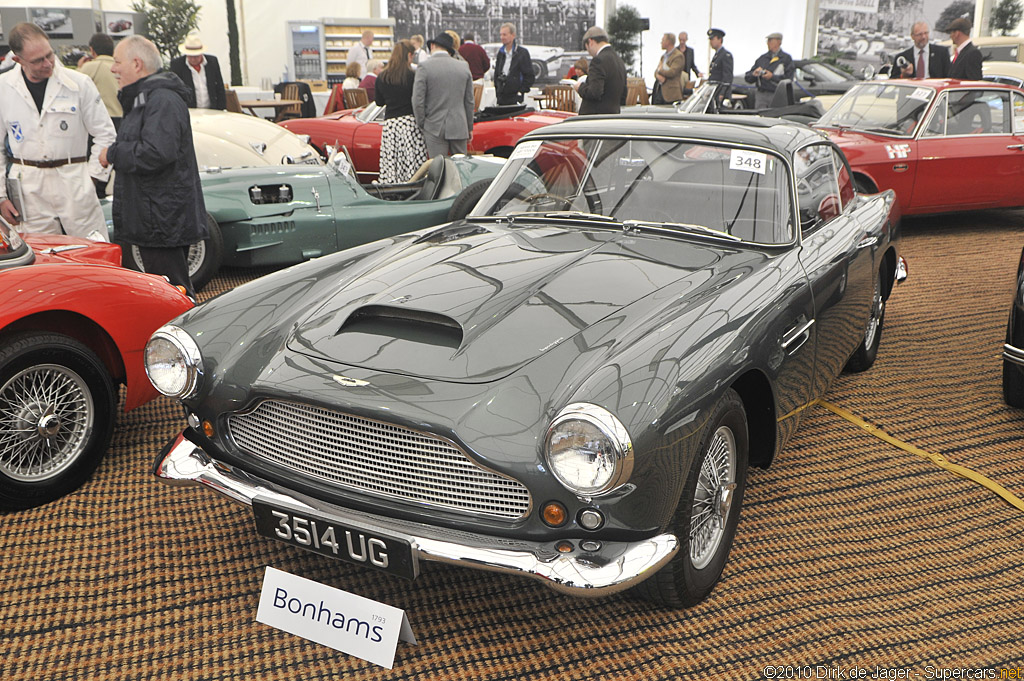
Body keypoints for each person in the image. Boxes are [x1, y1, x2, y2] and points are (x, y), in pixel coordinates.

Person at [101, 35, 208, 299]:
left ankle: (181, 339)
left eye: (117, 62)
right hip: (155, 217)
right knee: (164, 293)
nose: (113, 68)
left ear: (137, 64)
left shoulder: (161, 100)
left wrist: (113, 153)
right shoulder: (146, 99)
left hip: (162, 221)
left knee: (173, 295)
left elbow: (156, 153)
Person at [0, 22, 114, 239]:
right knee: (38, 259)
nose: (47, 63)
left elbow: (105, 134)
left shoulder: (79, 84)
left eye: (49, 55)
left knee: (92, 248)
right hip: (29, 187)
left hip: (74, 179)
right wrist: (1, 197)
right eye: (37, 60)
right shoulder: (3, 88)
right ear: (18, 60)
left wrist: (92, 178)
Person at [412, 32, 474, 158]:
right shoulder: (463, 66)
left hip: (434, 125)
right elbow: (469, 101)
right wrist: (469, 126)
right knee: (461, 167)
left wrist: (422, 123)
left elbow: (417, 100)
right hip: (459, 125)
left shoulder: (424, 67)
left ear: (433, 46)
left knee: (438, 168)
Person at [376, 40, 428, 183]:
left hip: (391, 125)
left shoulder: (382, 77)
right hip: (410, 124)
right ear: (409, 55)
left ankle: (392, 187)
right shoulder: (413, 76)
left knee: (392, 162)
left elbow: (379, 102)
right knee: (412, 162)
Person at [574, 26, 626, 115]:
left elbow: (594, 92)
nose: (589, 53)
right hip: (613, 116)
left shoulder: (598, 61)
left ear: (590, 42)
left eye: (587, 48)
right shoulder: (619, 60)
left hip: (594, 120)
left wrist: (580, 87)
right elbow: (624, 94)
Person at [169, 31, 226, 110]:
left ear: (201, 53)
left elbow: (219, 87)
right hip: (189, 110)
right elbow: (176, 90)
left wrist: (221, 109)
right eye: (190, 56)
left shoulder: (212, 62)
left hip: (212, 110)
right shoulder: (177, 65)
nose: (193, 59)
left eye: (196, 56)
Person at [78, 33, 123, 129]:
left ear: (92, 50)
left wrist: (79, 67)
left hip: (103, 119)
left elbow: (74, 84)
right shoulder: (121, 66)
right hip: (123, 118)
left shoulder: (92, 66)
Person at [744, 32, 795, 109]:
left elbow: (789, 78)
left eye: (770, 41)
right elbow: (748, 77)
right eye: (767, 41)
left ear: (779, 42)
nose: (768, 43)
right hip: (762, 94)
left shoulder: (786, 59)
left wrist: (772, 77)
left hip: (777, 95)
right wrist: (754, 74)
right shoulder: (762, 58)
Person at [493, 22, 534, 105]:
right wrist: (498, 90)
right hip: (501, 97)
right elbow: (496, 73)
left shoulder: (522, 53)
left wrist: (521, 91)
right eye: (501, 35)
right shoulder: (501, 53)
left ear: (513, 35)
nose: (502, 37)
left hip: (515, 98)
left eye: (504, 35)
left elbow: (529, 76)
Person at [652, 32, 685, 105]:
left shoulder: (678, 56)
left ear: (668, 42)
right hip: (660, 92)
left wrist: (660, 70)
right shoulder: (663, 56)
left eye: (663, 40)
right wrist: (658, 75)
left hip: (671, 95)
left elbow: (672, 72)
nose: (661, 42)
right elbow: (656, 71)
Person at [707, 28, 733, 101]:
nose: (710, 42)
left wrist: (722, 93)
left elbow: (727, 76)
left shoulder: (725, 55)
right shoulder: (717, 56)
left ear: (719, 39)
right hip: (714, 92)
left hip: (720, 94)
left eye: (712, 39)